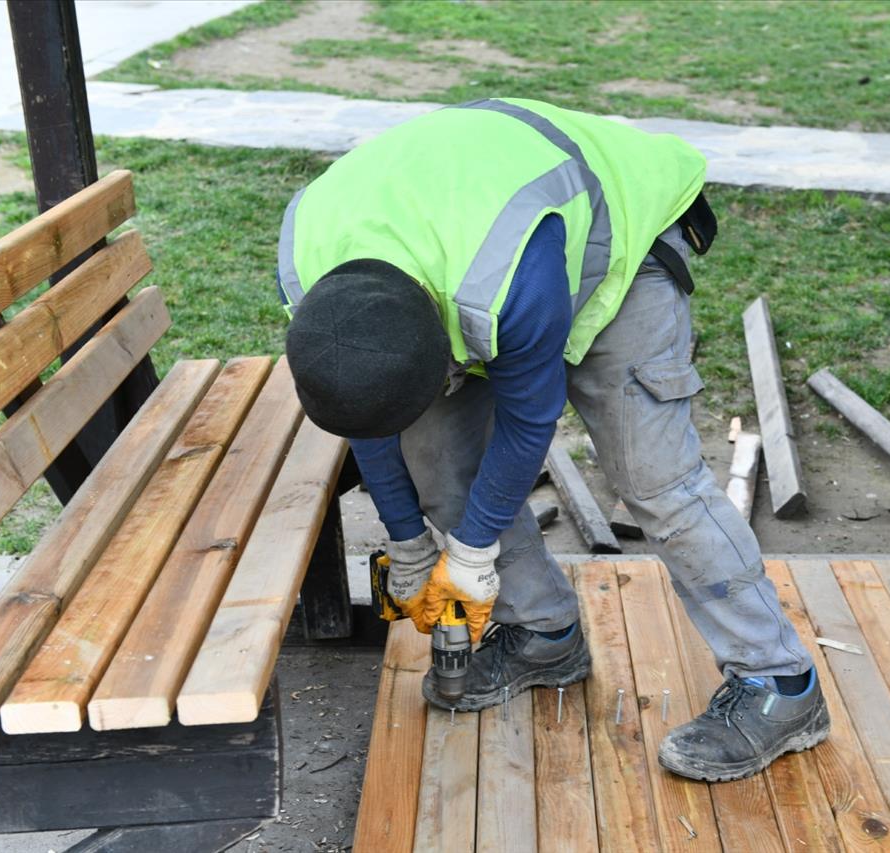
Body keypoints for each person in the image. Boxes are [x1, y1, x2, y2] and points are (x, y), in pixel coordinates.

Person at [277, 98, 828, 782]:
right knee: (440, 460)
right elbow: (366, 409)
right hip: (470, 245)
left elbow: (529, 418)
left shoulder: (505, 279)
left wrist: (473, 552)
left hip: (612, 233)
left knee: (655, 479)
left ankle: (782, 683)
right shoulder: (311, 271)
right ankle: (543, 635)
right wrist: (407, 540)